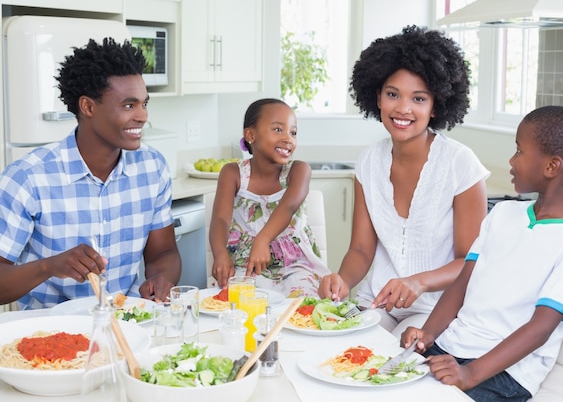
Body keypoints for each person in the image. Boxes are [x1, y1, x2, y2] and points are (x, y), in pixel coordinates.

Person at [400, 105, 563, 402]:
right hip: (449, 347)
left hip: (505, 373)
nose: (511, 160)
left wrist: (469, 375)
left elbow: (541, 327)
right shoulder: (504, 214)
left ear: (551, 167)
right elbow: (462, 284)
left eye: (519, 151)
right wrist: (428, 334)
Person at [318, 25, 490, 334]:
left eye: (419, 99)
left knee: (397, 360)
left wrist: (419, 281)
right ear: (378, 98)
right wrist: (342, 281)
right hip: (378, 303)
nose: (403, 108)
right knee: (341, 346)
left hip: (436, 308)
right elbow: (360, 250)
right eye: (393, 94)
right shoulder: (369, 162)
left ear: (436, 105)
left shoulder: (460, 164)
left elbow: (471, 259)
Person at [0, 38, 181, 309]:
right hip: (51, 337)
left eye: (144, 104)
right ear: (88, 107)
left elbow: (164, 252)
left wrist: (161, 278)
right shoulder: (27, 178)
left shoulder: (152, 167)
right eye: (129, 105)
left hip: (127, 324)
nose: (142, 116)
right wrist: (49, 266)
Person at [209, 98, 330, 297]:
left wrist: (262, 240)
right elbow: (220, 219)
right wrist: (220, 254)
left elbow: (289, 206)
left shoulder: (298, 170)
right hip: (247, 262)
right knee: (238, 306)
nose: (288, 138)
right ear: (250, 135)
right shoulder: (232, 173)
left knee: (301, 306)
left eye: (293, 132)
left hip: (296, 265)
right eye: (277, 130)